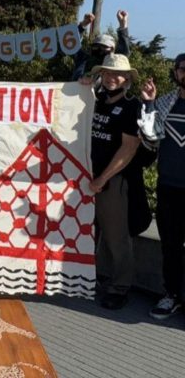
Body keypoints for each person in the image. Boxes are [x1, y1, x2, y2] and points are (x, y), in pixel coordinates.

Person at [84, 54, 142, 310]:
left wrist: (102, 179)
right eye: (107, 73)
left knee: (116, 236)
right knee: (88, 231)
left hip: (114, 180)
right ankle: (88, 278)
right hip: (88, 176)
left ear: (127, 78)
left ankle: (119, 287)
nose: (111, 78)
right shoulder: (96, 101)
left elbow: (129, 149)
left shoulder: (132, 106)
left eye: (117, 74)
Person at [140, 53, 185, 320]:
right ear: (176, 72)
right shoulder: (167, 102)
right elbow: (150, 135)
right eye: (182, 69)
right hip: (168, 186)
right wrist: (148, 104)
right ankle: (171, 295)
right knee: (170, 245)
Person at [71, 10, 131, 80]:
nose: (99, 49)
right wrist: (83, 25)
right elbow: (72, 46)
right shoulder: (83, 59)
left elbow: (123, 52)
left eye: (104, 47)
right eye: (96, 46)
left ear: (112, 49)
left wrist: (123, 25)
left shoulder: (114, 64)